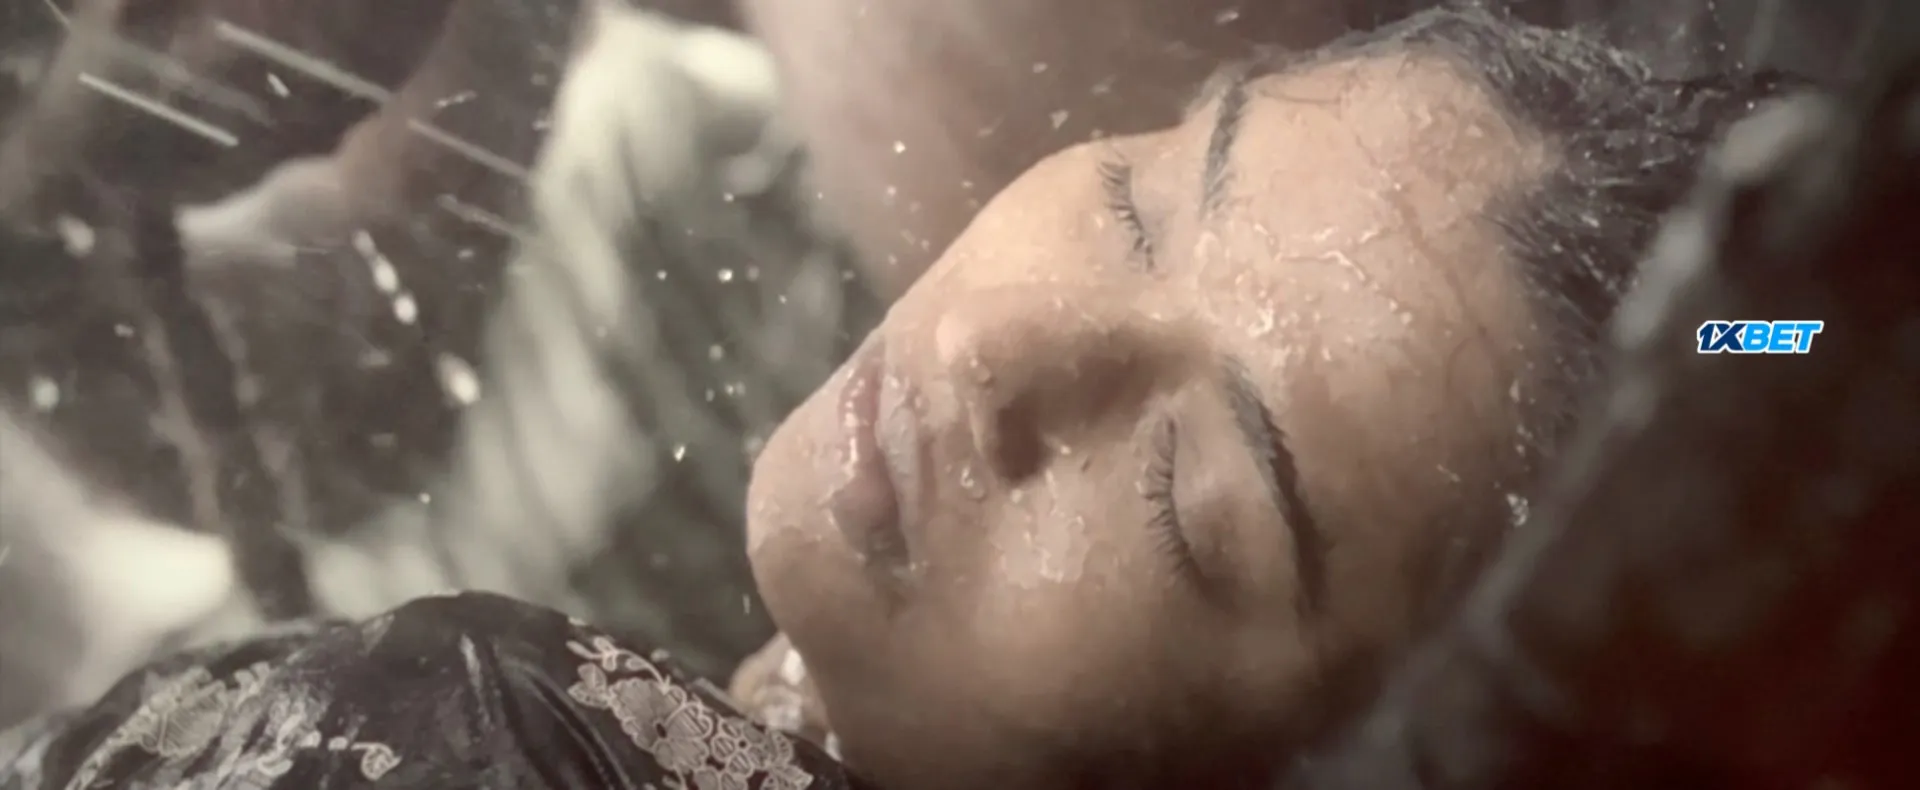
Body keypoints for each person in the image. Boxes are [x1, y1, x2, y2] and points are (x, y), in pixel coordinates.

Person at [0, 7, 1792, 790]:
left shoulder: (466, 736)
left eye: (1192, 496)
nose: (1004, 354)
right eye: (1138, 204)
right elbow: (1771, 336)